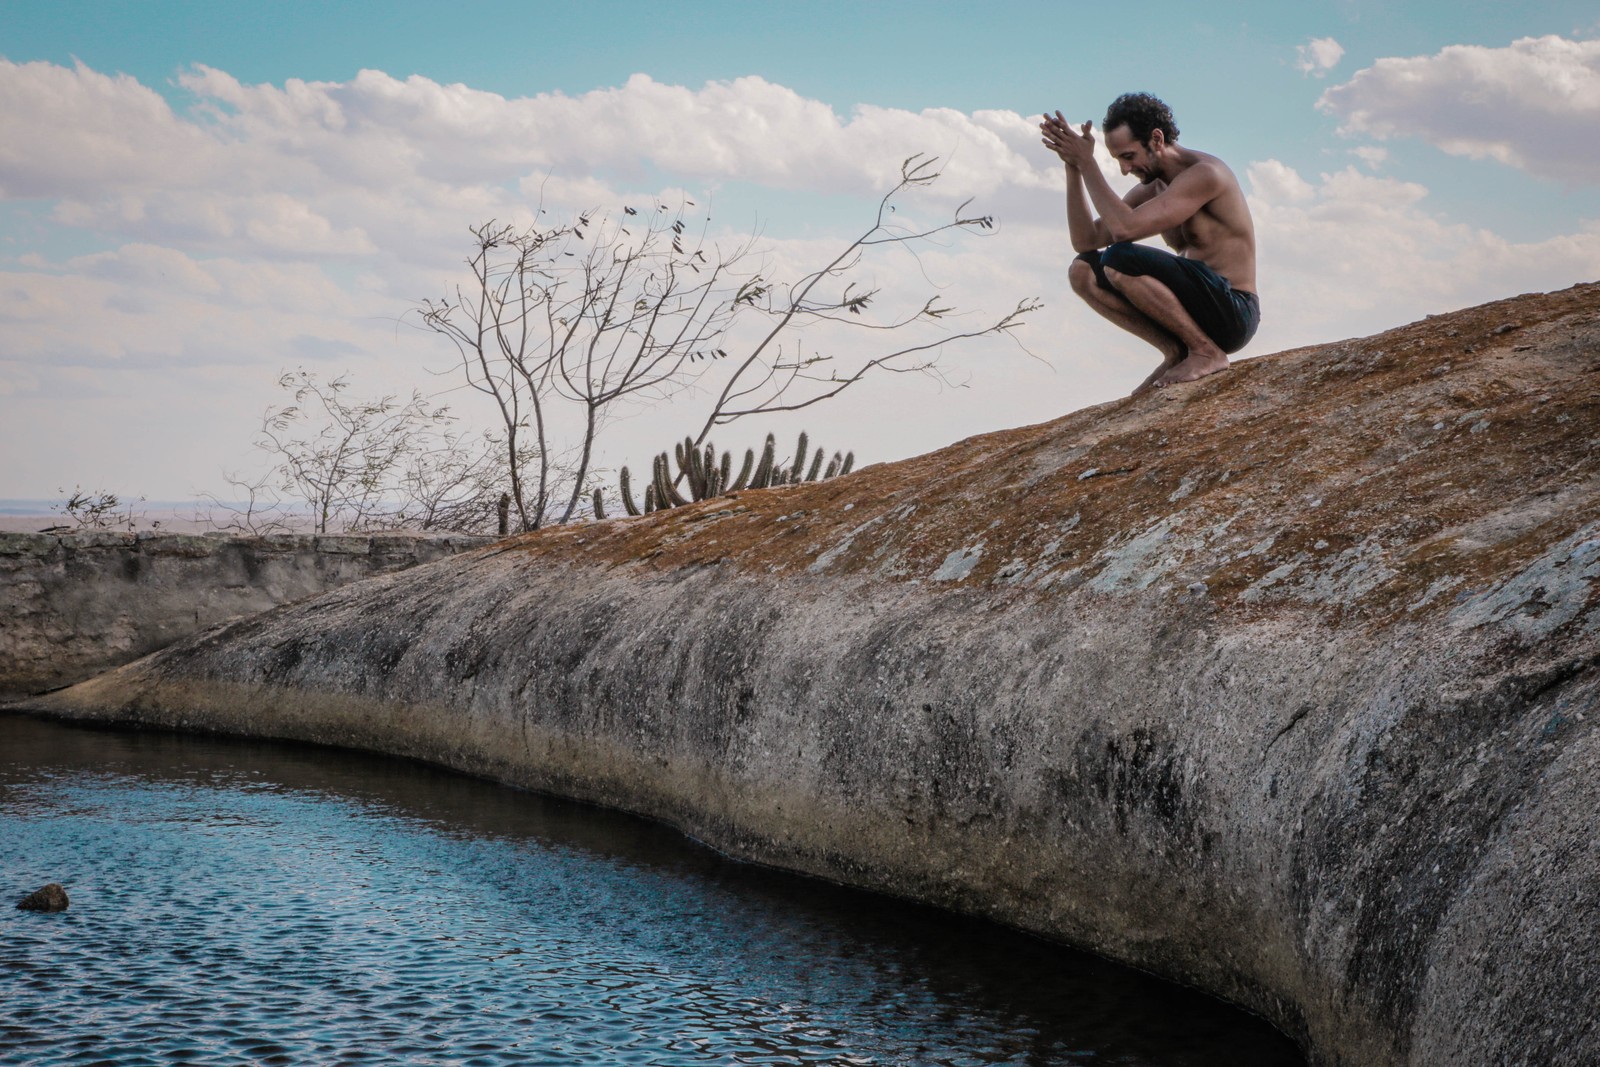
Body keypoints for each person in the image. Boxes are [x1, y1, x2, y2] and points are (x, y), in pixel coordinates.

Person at [1040, 93, 1259, 393]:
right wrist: (1073, 167)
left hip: (1233, 311)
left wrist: (1088, 162)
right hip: (1194, 308)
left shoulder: (1206, 174)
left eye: (1128, 157)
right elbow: (1085, 241)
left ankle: (1206, 351)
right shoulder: (1155, 186)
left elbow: (1124, 230)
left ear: (1156, 139)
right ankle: (1176, 351)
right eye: (1118, 160)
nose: (1124, 170)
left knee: (1119, 259)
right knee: (1083, 271)